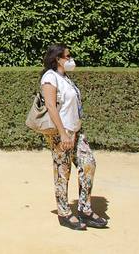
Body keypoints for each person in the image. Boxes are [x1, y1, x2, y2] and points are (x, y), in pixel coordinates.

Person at [40, 44, 107, 230]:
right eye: (67, 56)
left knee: (88, 164)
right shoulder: (49, 78)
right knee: (63, 172)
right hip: (61, 133)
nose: (71, 60)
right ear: (57, 59)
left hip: (76, 131)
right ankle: (64, 213)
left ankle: (84, 209)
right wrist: (62, 134)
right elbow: (51, 107)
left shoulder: (65, 78)